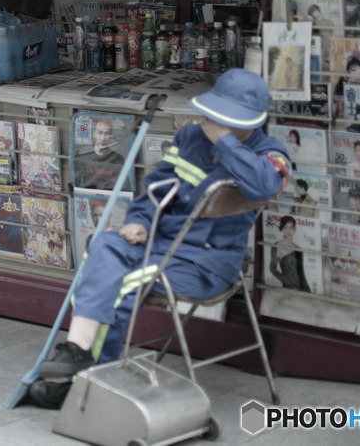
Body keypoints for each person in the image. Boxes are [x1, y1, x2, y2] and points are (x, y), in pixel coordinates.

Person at [27, 69, 291, 409]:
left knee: (118, 284)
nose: (213, 122)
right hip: (158, 244)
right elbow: (156, 187)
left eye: (226, 119)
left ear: (252, 122)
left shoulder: (271, 154)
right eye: (214, 115)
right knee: (102, 249)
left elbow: (266, 185)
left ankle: (83, 383)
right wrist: (139, 219)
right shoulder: (190, 139)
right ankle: (79, 354)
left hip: (204, 265)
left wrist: (224, 142)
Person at [72, 118, 127, 190]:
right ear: (93, 132)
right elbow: (77, 179)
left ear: (111, 136)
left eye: (107, 134)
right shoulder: (82, 154)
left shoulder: (117, 158)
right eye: (99, 133)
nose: (103, 138)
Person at [269, 216, 311, 292]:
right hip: (288, 288)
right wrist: (287, 282)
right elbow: (272, 269)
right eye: (286, 227)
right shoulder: (276, 246)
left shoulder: (298, 249)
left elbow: (301, 274)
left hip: (300, 288)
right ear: (282, 228)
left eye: (292, 228)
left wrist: (308, 291)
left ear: (295, 230)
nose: (289, 231)